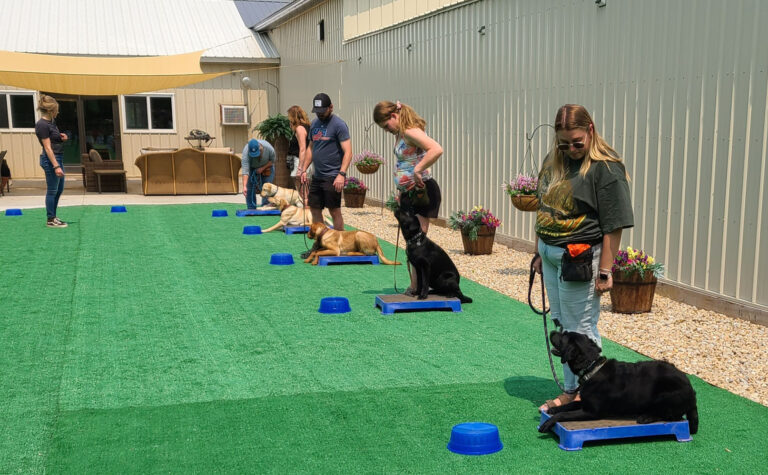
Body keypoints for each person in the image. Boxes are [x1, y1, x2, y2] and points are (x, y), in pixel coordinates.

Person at [532, 104, 634, 412]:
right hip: (550, 253)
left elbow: (614, 223)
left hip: (580, 257)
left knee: (581, 327)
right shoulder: (554, 161)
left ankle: (586, 395)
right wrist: (537, 252)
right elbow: (543, 209)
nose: (572, 149)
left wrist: (605, 270)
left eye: (577, 142)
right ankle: (574, 390)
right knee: (563, 324)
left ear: (591, 130)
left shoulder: (606, 167)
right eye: (564, 143)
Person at [374, 100, 443, 295]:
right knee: (412, 241)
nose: (386, 130)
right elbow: (404, 163)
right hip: (408, 193)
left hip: (422, 191)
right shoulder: (401, 133)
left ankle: (417, 286)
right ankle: (416, 285)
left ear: (394, 116)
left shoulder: (410, 131)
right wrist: (400, 192)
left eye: (386, 126)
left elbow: (436, 149)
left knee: (417, 241)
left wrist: (419, 170)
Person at [297, 92, 352, 231]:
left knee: (334, 211)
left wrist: (341, 174)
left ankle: (340, 245)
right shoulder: (314, 124)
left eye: (322, 111)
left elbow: (348, 152)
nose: (319, 114)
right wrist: (304, 169)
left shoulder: (339, 125)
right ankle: (321, 243)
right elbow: (310, 148)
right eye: (317, 112)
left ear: (331, 107)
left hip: (333, 176)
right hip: (317, 176)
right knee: (314, 209)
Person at [35, 94, 68, 228]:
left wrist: (62, 138)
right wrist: (56, 166)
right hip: (51, 160)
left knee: (59, 189)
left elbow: (53, 140)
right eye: (56, 109)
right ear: (50, 110)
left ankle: (53, 215)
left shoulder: (51, 123)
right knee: (52, 190)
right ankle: (50, 219)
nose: (58, 112)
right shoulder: (42, 125)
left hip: (58, 157)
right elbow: (47, 148)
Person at [241, 138, 276, 209]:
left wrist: (262, 168)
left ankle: (266, 206)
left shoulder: (268, 148)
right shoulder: (245, 152)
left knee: (267, 187)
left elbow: (272, 161)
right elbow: (245, 170)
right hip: (252, 167)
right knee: (249, 187)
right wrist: (244, 186)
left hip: (267, 166)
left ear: (260, 148)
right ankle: (251, 207)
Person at [287, 105, 312, 200]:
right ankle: (307, 208)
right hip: (306, 160)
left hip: (301, 160)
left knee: (303, 188)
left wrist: (301, 168)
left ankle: (306, 209)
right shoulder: (308, 126)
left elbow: (302, 149)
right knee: (304, 187)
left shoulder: (300, 128)